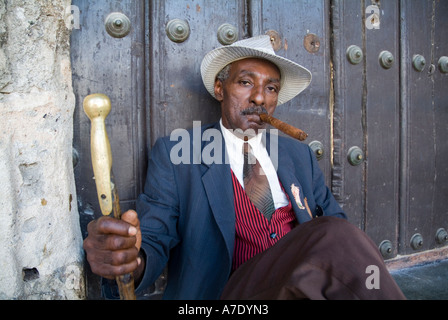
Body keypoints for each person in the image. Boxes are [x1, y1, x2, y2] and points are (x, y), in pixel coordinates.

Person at [83, 35, 405, 300]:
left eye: (271, 88)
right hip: (230, 300)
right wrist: (129, 259)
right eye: (246, 82)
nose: (259, 98)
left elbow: (338, 230)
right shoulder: (178, 152)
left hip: (301, 291)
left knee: (337, 238)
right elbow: (152, 239)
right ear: (221, 89)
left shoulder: (298, 155)